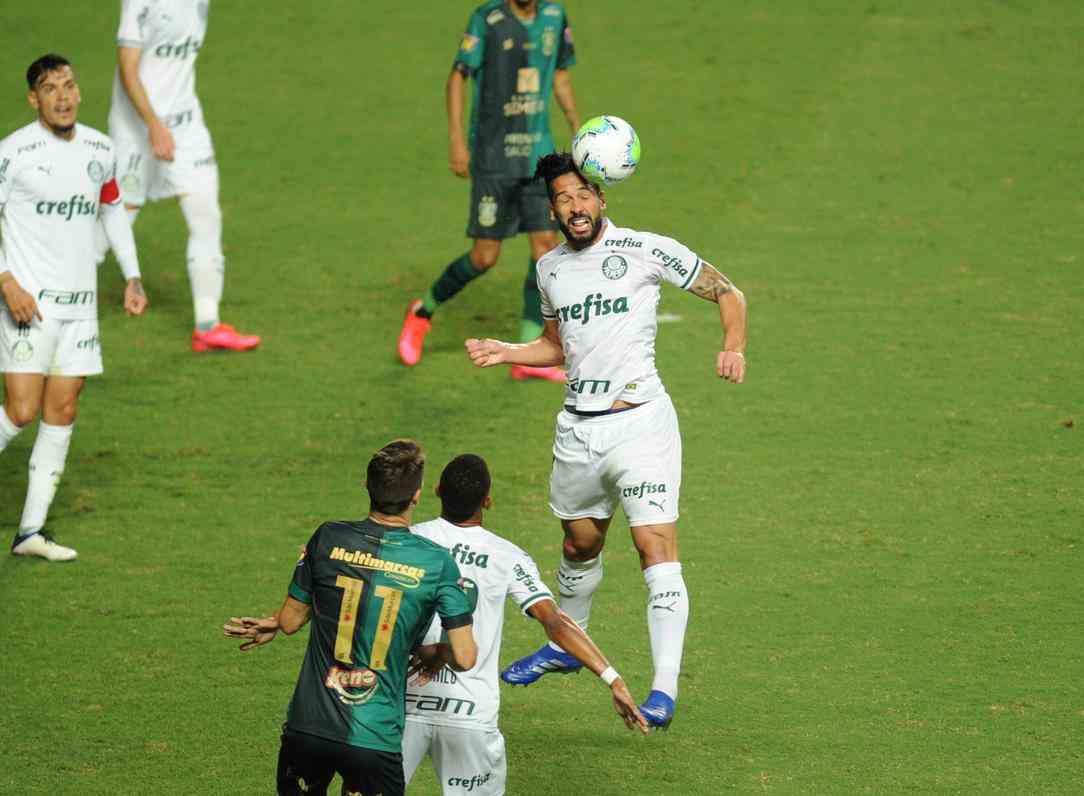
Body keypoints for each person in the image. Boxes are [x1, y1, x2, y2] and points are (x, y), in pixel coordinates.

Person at [464, 152, 748, 729]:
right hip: (578, 431)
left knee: (655, 552)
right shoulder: (549, 269)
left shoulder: (645, 249)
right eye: (564, 199)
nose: (575, 207)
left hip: (642, 424)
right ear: (554, 209)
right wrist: (509, 351)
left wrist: (733, 345)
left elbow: (728, 292)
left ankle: (664, 690)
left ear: (602, 199)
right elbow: (557, 346)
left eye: (583, 196)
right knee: (578, 547)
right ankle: (569, 642)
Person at [222, 440, 478, 796]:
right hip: (372, 739)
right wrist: (433, 652)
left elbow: (291, 620)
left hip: (308, 728)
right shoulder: (436, 563)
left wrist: (278, 621)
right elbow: (465, 657)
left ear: (366, 487)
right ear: (417, 496)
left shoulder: (327, 537)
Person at [403, 454, 647, 795]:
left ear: (438, 490)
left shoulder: (408, 540)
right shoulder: (506, 557)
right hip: (470, 712)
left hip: (401, 705)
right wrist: (613, 679)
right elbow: (555, 621)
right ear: (487, 500)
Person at [1, 54, 148, 562]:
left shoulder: (99, 149)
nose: (62, 96)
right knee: (20, 411)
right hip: (26, 305)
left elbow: (111, 210)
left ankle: (30, 533)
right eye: (49, 88)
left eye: (68, 85)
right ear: (33, 99)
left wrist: (132, 274)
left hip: (79, 307)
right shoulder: (13, 153)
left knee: (62, 409)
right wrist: (6, 282)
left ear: (78, 92)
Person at [398, 0, 579, 383]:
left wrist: (578, 128)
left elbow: (559, 76)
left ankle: (529, 351)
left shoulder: (554, 16)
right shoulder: (487, 20)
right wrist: (457, 142)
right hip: (493, 157)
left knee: (544, 248)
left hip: (537, 154)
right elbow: (456, 78)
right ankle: (422, 312)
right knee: (484, 257)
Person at [99, 0, 259, 352]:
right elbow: (128, 69)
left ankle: (207, 325)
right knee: (116, 221)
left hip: (185, 124)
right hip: (136, 128)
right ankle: (43, 293)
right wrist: (154, 125)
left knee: (206, 216)